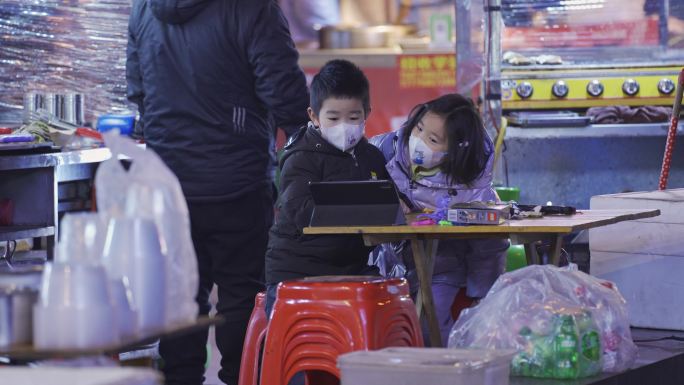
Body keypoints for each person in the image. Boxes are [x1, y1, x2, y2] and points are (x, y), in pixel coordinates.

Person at [125, 1, 309, 384]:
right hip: (237, 178)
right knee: (242, 294)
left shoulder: (144, 7)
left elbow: (138, 90)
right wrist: (304, 143)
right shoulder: (251, 8)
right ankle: (239, 378)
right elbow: (282, 89)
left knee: (181, 296)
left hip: (170, 182)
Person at [369, 93, 510, 347]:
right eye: (419, 128)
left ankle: (445, 370)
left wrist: (482, 294)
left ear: (455, 150)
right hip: (384, 266)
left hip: (441, 270)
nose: (418, 141)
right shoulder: (383, 152)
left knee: (428, 322)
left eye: (432, 140)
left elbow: (489, 245)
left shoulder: (474, 188)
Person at [265, 59, 389, 315]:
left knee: (392, 300)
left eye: (353, 117)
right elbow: (299, 210)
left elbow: (387, 202)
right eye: (333, 117)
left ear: (367, 113)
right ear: (313, 115)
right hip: (297, 269)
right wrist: (361, 210)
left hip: (351, 268)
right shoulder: (301, 157)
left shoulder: (372, 157)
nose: (343, 125)